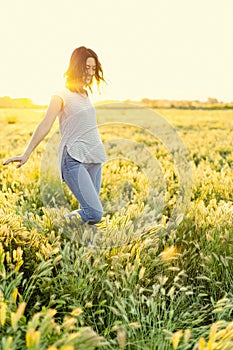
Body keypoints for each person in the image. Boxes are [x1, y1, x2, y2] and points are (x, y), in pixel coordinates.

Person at [3, 46, 107, 225]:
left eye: (93, 68)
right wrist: (26, 153)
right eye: (86, 67)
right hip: (74, 158)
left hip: (94, 157)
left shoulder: (85, 94)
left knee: (89, 214)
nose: (90, 73)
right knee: (95, 213)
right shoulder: (61, 95)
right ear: (76, 66)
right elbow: (45, 124)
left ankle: (84, 247)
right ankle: (59, 224)